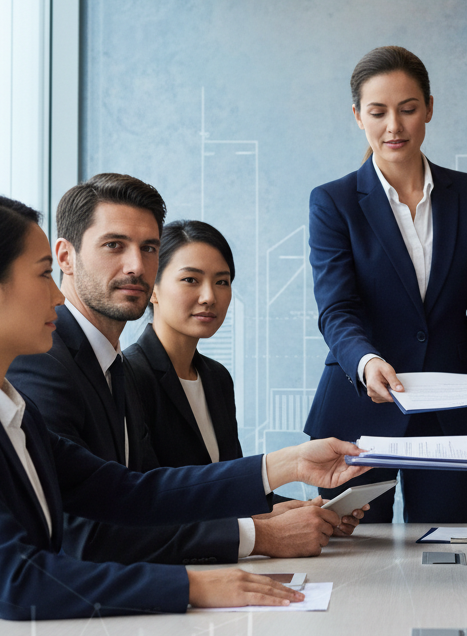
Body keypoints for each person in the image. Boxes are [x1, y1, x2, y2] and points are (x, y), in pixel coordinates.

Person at [0, 194, 369, 636]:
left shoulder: (11, 408)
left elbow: (131, 493)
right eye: (44, 273)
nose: (57, 295)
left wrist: (288, 462)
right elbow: (16, 579)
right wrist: (193, 586)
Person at [8, 174, 344, 564]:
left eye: (149, 248)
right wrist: (258, 534)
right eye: (114, 245)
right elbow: (80, 534)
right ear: (65, 257)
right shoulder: (42, 362)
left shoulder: (114, 366)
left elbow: (147, 495)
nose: (136, 266)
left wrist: (284, 477)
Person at [305, 46, 467, 523]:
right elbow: (337, 310)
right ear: (358, 116)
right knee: (353, 553)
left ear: (429, 109)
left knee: (445, 551)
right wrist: (367, 362)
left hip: (450, 413)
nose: (393, 126)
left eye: (408, 109)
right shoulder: (333, 202)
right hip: (359, 410)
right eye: (378, 112)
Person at [124, 219, 367, 554]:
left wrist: (306, 513)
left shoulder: (216, 378)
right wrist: (266, 529)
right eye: (191, 279)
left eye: (222, 282)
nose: (209, 296)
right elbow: (153, 506)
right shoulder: (129, 376)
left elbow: (225, 489)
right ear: (152, 287)